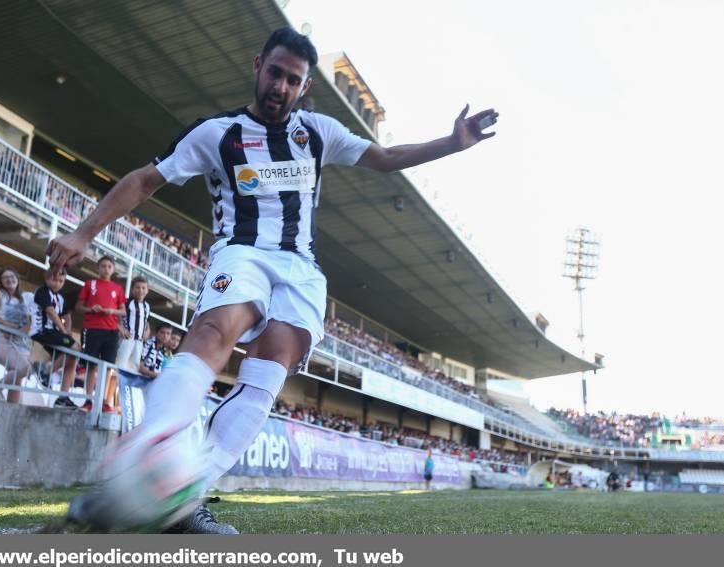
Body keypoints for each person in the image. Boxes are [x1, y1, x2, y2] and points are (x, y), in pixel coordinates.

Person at [50, 26, 497, 533]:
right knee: (215, 333)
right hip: (242, 252)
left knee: (270, 370)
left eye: (293, 80)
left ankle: (182, 497)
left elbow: (385, 158)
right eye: (275, 73)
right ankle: (141, 465)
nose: (281, 87)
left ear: (305, 87)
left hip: (301, 269)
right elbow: (144, 181)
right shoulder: (216, 133)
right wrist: (84, 233)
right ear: (258, 66)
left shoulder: (317, 132)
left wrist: (452, 144)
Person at [76, 255, 126, 412]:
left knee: (107, 367)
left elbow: (123, 311)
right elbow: (78, 306)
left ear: (113, 269)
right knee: (91, 365)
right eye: (103, 266)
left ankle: (103, 400)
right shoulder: (90, 284)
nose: (106, 269)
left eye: (109, 266)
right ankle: (88, 399)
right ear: (98, 268)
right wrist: (91, 309)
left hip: (111, 331)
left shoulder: (118, 289)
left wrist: (112, 311)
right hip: (92, 329)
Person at [30, 268, 81, 408]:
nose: (57, 283)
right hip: (42, 330)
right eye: (54, 279)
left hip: (54, 333)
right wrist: (64, 332)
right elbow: (51, 312)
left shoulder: (61, 298)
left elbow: (67, 316)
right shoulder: (43, 291)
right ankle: (45, 373)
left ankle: (63, 398)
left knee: (71, 359)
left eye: (61, 281)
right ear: (46, 279)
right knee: (76, 348)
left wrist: (68, 331)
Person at [0, 268, 32, 404]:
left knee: (16, 383)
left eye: (12, 276)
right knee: (25, 369)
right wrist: (7, 325)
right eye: (5, 278)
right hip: (0, 336)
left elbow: (30, 321)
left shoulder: (24, 298)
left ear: (17, 279)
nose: (9, 279)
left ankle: (11, 414)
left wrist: (21, 331)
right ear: (1, 281)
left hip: (20, 341)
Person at [116, 276, 152, 373]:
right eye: (137, 287)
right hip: (127, 339)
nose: (140, 290)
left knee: (134, 367)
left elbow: (147, 321)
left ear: (147, 290)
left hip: (139, 341)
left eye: (143, 288)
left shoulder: (147, 306)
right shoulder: (127, 303)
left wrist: (147, 331)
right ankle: (115, 385)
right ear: (132, 289)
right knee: (120, 364)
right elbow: (117, 316)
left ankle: (127, 386)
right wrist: (121, 328)